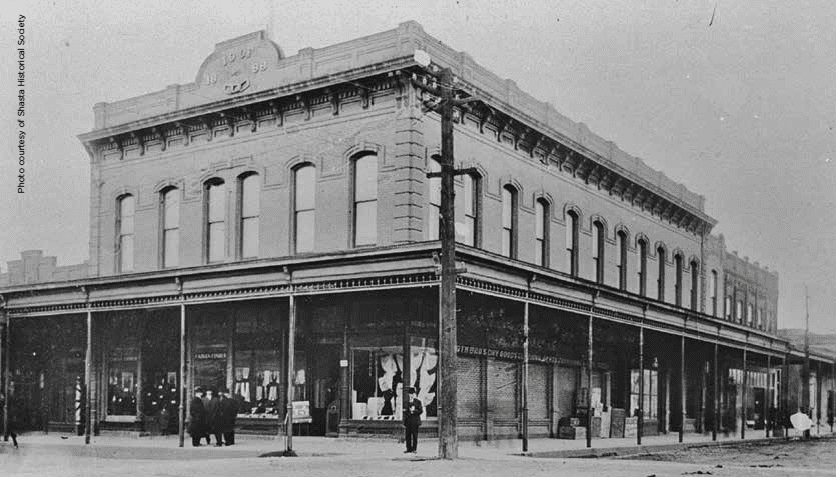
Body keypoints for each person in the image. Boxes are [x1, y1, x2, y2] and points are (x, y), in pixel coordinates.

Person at [403, 387, 422, 454]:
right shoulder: (407, 402)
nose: (410, 395)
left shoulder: (418, 402)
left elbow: (420, 411)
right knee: (407, 435)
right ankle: (408, 448)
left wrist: (414, 411)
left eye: (412, 394)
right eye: (409, 394)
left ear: (414, 394)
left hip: (415, 421)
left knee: (414, 435)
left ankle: (414, 449)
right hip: (408, 421)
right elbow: (405, 411)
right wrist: (407, 411)